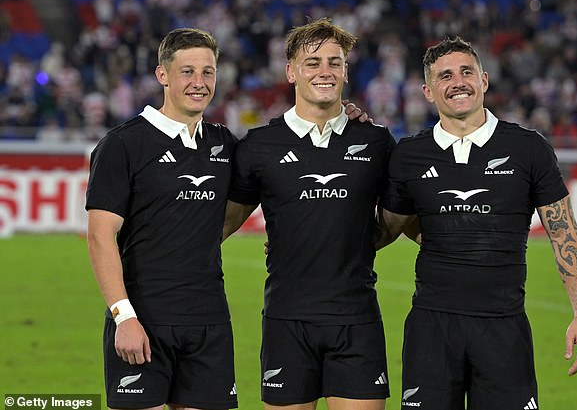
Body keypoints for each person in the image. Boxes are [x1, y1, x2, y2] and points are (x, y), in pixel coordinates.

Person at [85, 26, 367, 410]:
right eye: (187, 71)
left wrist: (345, 119)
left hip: (210, 323)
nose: (199, 82)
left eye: (208, 72)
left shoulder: (225, 145)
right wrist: (123, 316)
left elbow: (275, 184)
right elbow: (100, 237)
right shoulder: (122, 145)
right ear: (162, 75)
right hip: (143, 321)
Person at [377, 36, 577, 410]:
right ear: (428, 91)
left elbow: (564, 233)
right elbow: (385, 230)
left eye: (467, 72)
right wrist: (305, 238)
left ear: (484, 80)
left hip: (503, 327)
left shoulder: (529, 148)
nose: (458, 81)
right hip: (431, 328)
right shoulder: (409, 155)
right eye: (445, 76)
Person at [223, 18, 395, 410]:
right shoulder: (260, 145)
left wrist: (355, 239)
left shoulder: (376, 140)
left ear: (346, 72)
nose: (325, 71)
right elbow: (221, 224)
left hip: (357, 320)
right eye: (313, 62)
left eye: (335, 62)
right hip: (287, 320)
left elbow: (404, 216)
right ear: (291, 71)